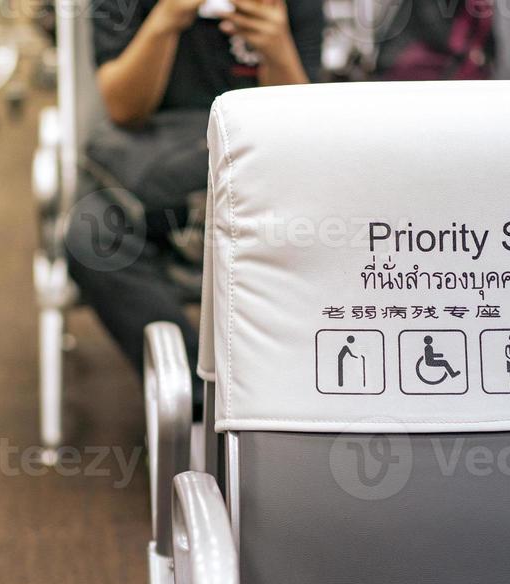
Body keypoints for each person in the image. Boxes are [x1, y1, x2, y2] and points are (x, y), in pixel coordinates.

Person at [65, 0, 324, 401]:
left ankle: (275, 396)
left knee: (333, 227)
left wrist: (275, 45)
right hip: (154, 164)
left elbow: (303, 125)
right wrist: (167, 18)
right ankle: (201, 400)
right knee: (91, 237)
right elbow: (123, 108)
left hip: (259, 162)